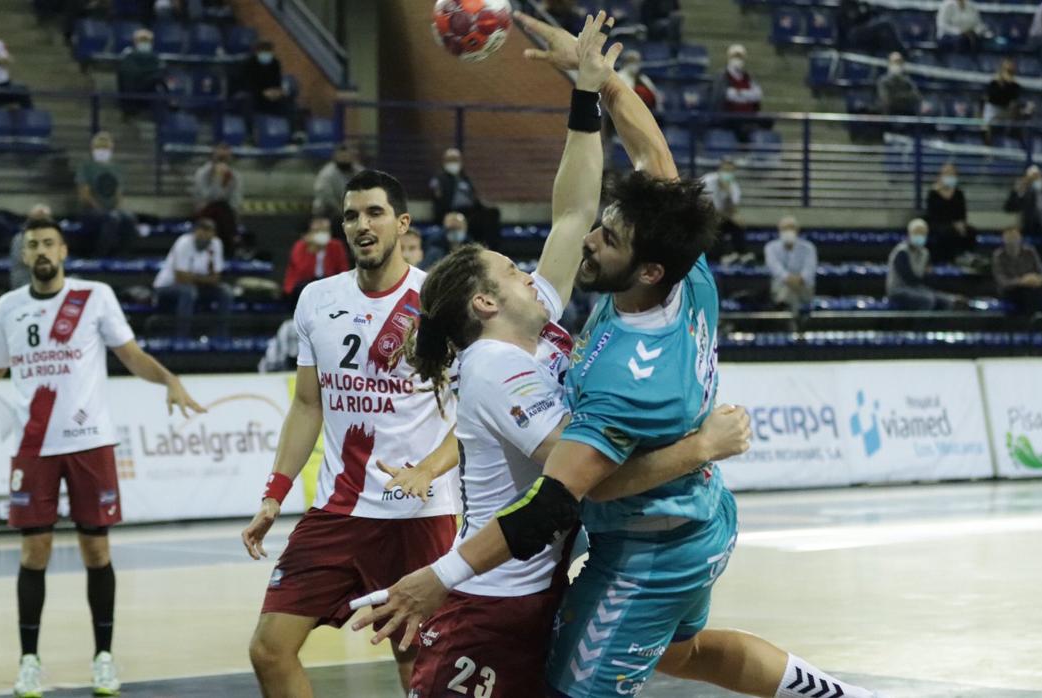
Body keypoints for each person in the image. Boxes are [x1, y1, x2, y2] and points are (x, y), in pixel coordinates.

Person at [352, 12, 883, 698]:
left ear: (647, 269)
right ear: (486, 305)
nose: (590, 242)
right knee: (685, 654)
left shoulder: (616, 372)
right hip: (673, 527)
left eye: (611, 237)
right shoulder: (678, 276)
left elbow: (570, 492)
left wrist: (437, 573)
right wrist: (596, 87)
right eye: (513, 268)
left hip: (641, 550)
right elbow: (626, 182)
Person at [391, 23, 757, 694]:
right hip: (492, 594)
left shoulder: (535, 328)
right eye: (510, 270)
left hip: (537, 581)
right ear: (484, 305)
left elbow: (571, 211)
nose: (531, 272)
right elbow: (580, 486)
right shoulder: (497, 366)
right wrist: (698, 444)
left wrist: (587, 94)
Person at [0, 221, 204, 698]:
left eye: (48, 243)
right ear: (24, 256)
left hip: (90, 441)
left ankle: (103, 658)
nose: (41, 251)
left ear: (62, 249)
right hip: (34, 443)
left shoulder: (95, 296)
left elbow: (129, 354)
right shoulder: (8, 307)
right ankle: (29, 662)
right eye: (32, 246)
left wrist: (169, 379)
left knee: (97, 552)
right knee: (33, 553)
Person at [240, 169, 463, 696]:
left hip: (418, 515)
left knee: (416, 668)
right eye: (351, 216)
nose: (361, 225)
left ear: (401, 223)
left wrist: (427, 470)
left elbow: (475, 414)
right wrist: (274, 495)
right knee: (269, 650)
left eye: (374, 213)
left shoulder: (438, 301)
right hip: (338, 512)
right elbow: (306, 404)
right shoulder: (316, 299)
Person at [151, 217, 233, 340]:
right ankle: (182, 338)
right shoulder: (184, 242)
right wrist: (205, 279)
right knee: (188, 291)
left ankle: (221, 336)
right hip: (166, 287)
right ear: (194, 233)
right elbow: (180, 277)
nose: (204, 238)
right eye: (201, 235)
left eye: (208, 236)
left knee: (225, 292)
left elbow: (216, 278)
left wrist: (195, 277)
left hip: (196, 287)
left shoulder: (216, 244)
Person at [75, 132, 138, 257]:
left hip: (111, 210)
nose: (102, 150)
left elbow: (119, 193)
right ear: (93, 149)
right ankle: (100, 255)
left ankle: (123, 254)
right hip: (90, 211)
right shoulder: (86, 167)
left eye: (105, 148)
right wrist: (101, 209)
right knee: (110, 219)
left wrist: (116, 210)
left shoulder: (117, 168)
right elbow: (84, 194)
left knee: (129, 219)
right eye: (99, 147)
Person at [887, 219, 965, 310]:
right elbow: (909, 278)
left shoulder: (925, 253)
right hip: (899, 290)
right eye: (917, 233)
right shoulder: (901, 252)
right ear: (910, 234)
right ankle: (920, 324)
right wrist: (926, 278)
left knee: (947, 301)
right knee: (928, 300)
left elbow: (928, 276)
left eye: (922, 233)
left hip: (919, 289)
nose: (920, 236)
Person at [429, 147, 500, 248]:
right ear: (444, 162)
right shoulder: (439, 179)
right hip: (452, 212)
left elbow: (474, 197)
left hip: (469, 212)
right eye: (450, 159)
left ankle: (492, 248)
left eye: (455, 159)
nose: (453, 163)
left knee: (493, 213)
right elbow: (440, 202)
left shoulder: (464, 178)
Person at [925, 162, 979, 266]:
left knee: (971, 231)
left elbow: (962, 214)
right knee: (947, 231)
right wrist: (953, 225)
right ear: (941, 176)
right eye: (947, 174)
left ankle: (967, 255)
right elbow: (933, 215)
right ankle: (947, 259)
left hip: (956, 224)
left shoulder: (959, 193)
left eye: (952, 174)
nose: (949, 176)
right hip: (938, 224)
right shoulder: (933, 193)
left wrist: (961, 224)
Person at [191, 142, 243, 251]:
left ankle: (229, 244)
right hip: (205, 211)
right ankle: (233, 241)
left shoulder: (234, 176)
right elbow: (205, 198)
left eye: (225, 158)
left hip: (226, 215)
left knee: (223, 209)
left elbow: (235, 201)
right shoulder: (202, 173)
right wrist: (217, 179)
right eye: (220, 158)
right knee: (220, 206)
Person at [282, 216, 349, 297]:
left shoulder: (336, 246)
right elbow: (302, 272)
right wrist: (312, 249)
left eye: (325, 230)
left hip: (328, 282)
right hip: (303, 283)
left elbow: (343, 270)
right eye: (317, 231)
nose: (322, 234)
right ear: (308, 234)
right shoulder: (300, 246)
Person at [764, 215, 817, 316]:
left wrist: (799, 280)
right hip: (781, 288)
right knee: (788, 291)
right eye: (785, 228)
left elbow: (809, 270)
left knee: (792, 292)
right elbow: (776, 269)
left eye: (791, 228)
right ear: (779, 230)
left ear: (797, 230)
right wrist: (788, 279)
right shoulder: (770, 247)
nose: (788, 231)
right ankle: (796, 323)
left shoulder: (808, 247)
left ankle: (790, 323)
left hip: (804, 287)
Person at [712, 44, 765, 141]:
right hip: (729, 116)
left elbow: (757, 94)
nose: (738, 60)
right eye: (735, 56)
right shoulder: (722, 76)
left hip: (748, 116)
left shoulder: (747, 76)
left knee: (767, 121)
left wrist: (739, 94)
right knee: (743, 128)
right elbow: (728, 95)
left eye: (740, 57)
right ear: (729, 57)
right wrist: (748, 95)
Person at [701, 158, 749, 264]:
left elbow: (733, 209)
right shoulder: (707, 181)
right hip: (704, 217)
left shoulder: (734, 187)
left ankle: (741, 254)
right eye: (725, 170)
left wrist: (728, 194)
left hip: (722, 218)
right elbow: (706, 207)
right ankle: (717, 257)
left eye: (730, 171)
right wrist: (731, 216)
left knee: (738, 225)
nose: (727, 173)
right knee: (715, 223)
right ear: (719, 169)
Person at [237, 39, 296, 125]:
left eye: (268, 51)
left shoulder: (275, 63)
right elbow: (247, 84)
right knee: (248, 100)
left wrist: (278, 91)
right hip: (255, 94)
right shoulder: (248, 64)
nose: (266, 54)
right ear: (257, 52)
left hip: (271, 93)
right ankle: (251, 132)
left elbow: (277, 81)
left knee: (287, 101)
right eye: (264, 51)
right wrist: (262, 92)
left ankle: (289, 130)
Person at [992, 227, 1042, 316]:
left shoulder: (1030, 251)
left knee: (1037, 292)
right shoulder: (999, 256)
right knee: (1027, 295)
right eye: (1010, 240)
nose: (1013, 242)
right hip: (1011, 291)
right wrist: (1022, 281)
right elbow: (1002, 282)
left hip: (1032, 287)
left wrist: (1036, 279)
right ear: (1004, 241)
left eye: (1015, 239)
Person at [116, 28, 166, 117]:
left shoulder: (155, 58)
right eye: (141, 40)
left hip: (148, 91)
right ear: (135, 42)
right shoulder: (128, 55)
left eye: (147, 40)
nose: (144, 43)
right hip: (131, 91)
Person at [983, 59, 1034, 142]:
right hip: (994, 109)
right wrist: (1003, 85)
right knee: (986, 126)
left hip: (1007, 111)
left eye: (1010, 71)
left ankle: (1013, 137)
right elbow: (991, 98)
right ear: (1001, 70)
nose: (1007, 74)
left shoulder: (1015, 86)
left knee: (1021, 110)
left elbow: (1017, 100)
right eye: (1006, 71)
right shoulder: (994, 83)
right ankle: (987, 146)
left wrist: (1027, 107)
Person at [9, 204, 55, 290]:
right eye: (38, 219)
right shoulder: (20, 239)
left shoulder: (53, 238)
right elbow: (28, 260)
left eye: (45, 219)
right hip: (25, 281)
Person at [312, 145, 362, 224]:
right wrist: (342, 212)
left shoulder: (359, 171)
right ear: (335, 157)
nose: (344, 158)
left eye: (346, 156)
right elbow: (327, 198)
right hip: (328, 213)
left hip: (352, 211)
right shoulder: (327, 173)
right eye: (341, 156)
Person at [836, 0, 905, 55]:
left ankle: (897, 53)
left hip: (862, 34)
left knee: (885, 28)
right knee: (884, 26)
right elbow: (852, 17)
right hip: (852, 35)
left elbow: (867, 16)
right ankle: (902, 53)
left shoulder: (861, 4)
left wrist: (866, 10)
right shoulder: (846, 4)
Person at [876, 52, 922, 116]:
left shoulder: (907, 81)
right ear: (889, 63)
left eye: (899, 62)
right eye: (894, 62)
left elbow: (917, 97)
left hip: (907, 114)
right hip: (889, 115)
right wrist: (905, 97)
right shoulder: (883, 81)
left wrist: (897, 96)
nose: (897, 64)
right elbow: (887, 100)